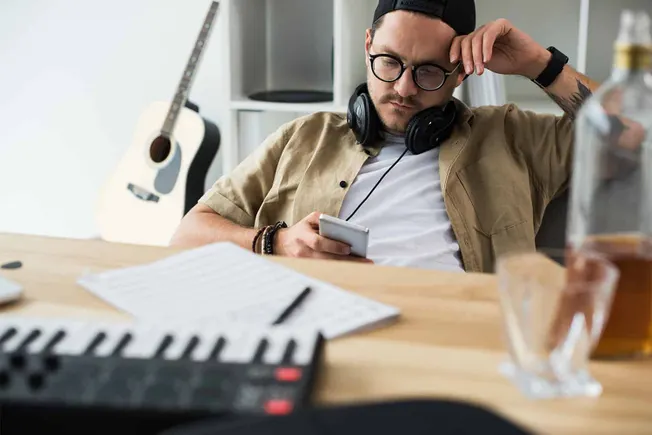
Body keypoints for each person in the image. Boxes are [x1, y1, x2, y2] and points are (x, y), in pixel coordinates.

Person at [170, 0, 604, 273]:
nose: (403, 88)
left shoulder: (514, 136)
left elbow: (630, 136)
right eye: (389, 62)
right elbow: (188, 234)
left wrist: (538, 64)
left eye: (429, 71)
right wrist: (274, 241)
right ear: (367, 45)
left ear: (460, 74)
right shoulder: (305, 136)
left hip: (455, 342)